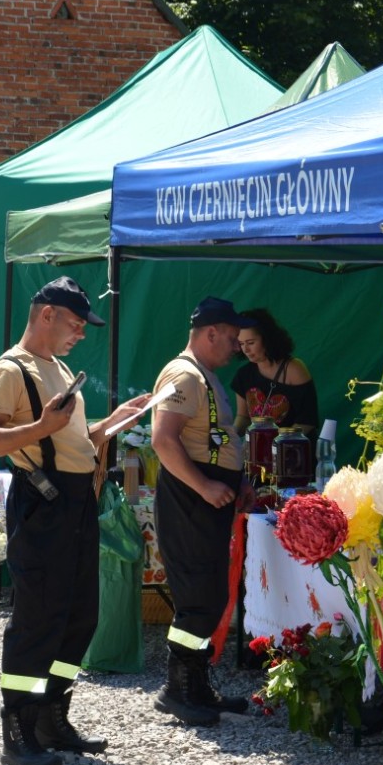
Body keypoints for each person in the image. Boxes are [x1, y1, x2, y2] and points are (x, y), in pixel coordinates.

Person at [0, 277, 152, 765]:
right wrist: (41, 427)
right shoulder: (11, 369)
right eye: (76, 323)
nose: (82, 333)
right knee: (39, 619)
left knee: (79, 616)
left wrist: (110, 423)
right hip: (43, 502)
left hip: (76, 502)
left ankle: (52, 718)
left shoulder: (59, 368)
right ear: (46, 314)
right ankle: (18, 730)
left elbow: (71, 441)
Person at [150, 297, 254, 726]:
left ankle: (195, 686)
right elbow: (163, 439)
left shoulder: (203, 375)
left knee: (209, 594)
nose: (236, 347)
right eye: (231, 338)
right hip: (190, 501)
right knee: (198, 597)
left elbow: (215, 437)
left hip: (206, 500)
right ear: (210, 333)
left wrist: (236, 478)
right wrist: (206, 485)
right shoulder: (184, 375)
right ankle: (177, 689)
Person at [231, 308, 319, 438]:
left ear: (267, 339)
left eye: (250, 343)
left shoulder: (294, 369)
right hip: (260, 449)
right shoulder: (243, 375)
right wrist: (231, 434)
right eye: (241, 343)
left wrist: (277, 443)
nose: (246, 349)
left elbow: (307, 422)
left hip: (295, 448)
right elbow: (243, 417)